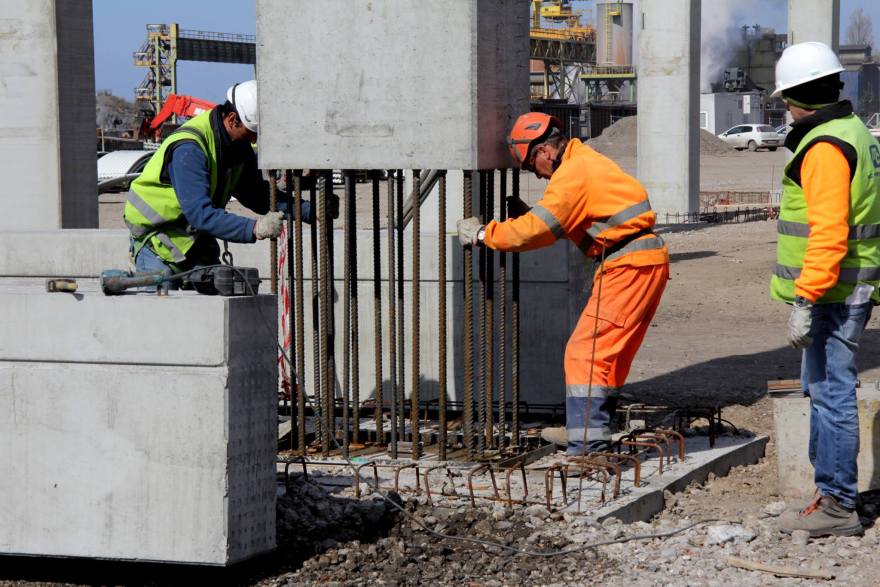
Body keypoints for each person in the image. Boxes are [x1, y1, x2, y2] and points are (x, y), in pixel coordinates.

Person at [457, 112, 669, 455]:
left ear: (544, 151)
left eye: (531, 165)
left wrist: (484, 234)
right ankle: (585, 429)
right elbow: (572, 218)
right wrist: (532, 213)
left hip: (628, 265)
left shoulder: (572, 173)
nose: (536, 174)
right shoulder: (583, 162)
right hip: (641, 261)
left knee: (584, 354)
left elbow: (536, 231)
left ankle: (587, 445)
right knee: (607, 355)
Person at [770, 42, 880, 538]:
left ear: (800, 96)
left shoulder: (825, 146)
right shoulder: (855, 131)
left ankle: (836, 503)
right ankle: (828, 495)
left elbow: (830, 231)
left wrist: (806, 297)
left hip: (832, 292)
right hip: (847, 286)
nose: (786, 108)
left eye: (786, 98)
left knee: (831, 395)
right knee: (821, 390)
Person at [124, 80, 337, 284]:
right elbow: (201, 214)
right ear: (233, 119)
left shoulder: (237, 147)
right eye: (252, 132)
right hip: (157, 244)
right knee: (162, 315)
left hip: (192, 243)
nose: (254, 140)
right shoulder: (190, 149)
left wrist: (310, 210)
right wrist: (256, 228)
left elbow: (257, 195)